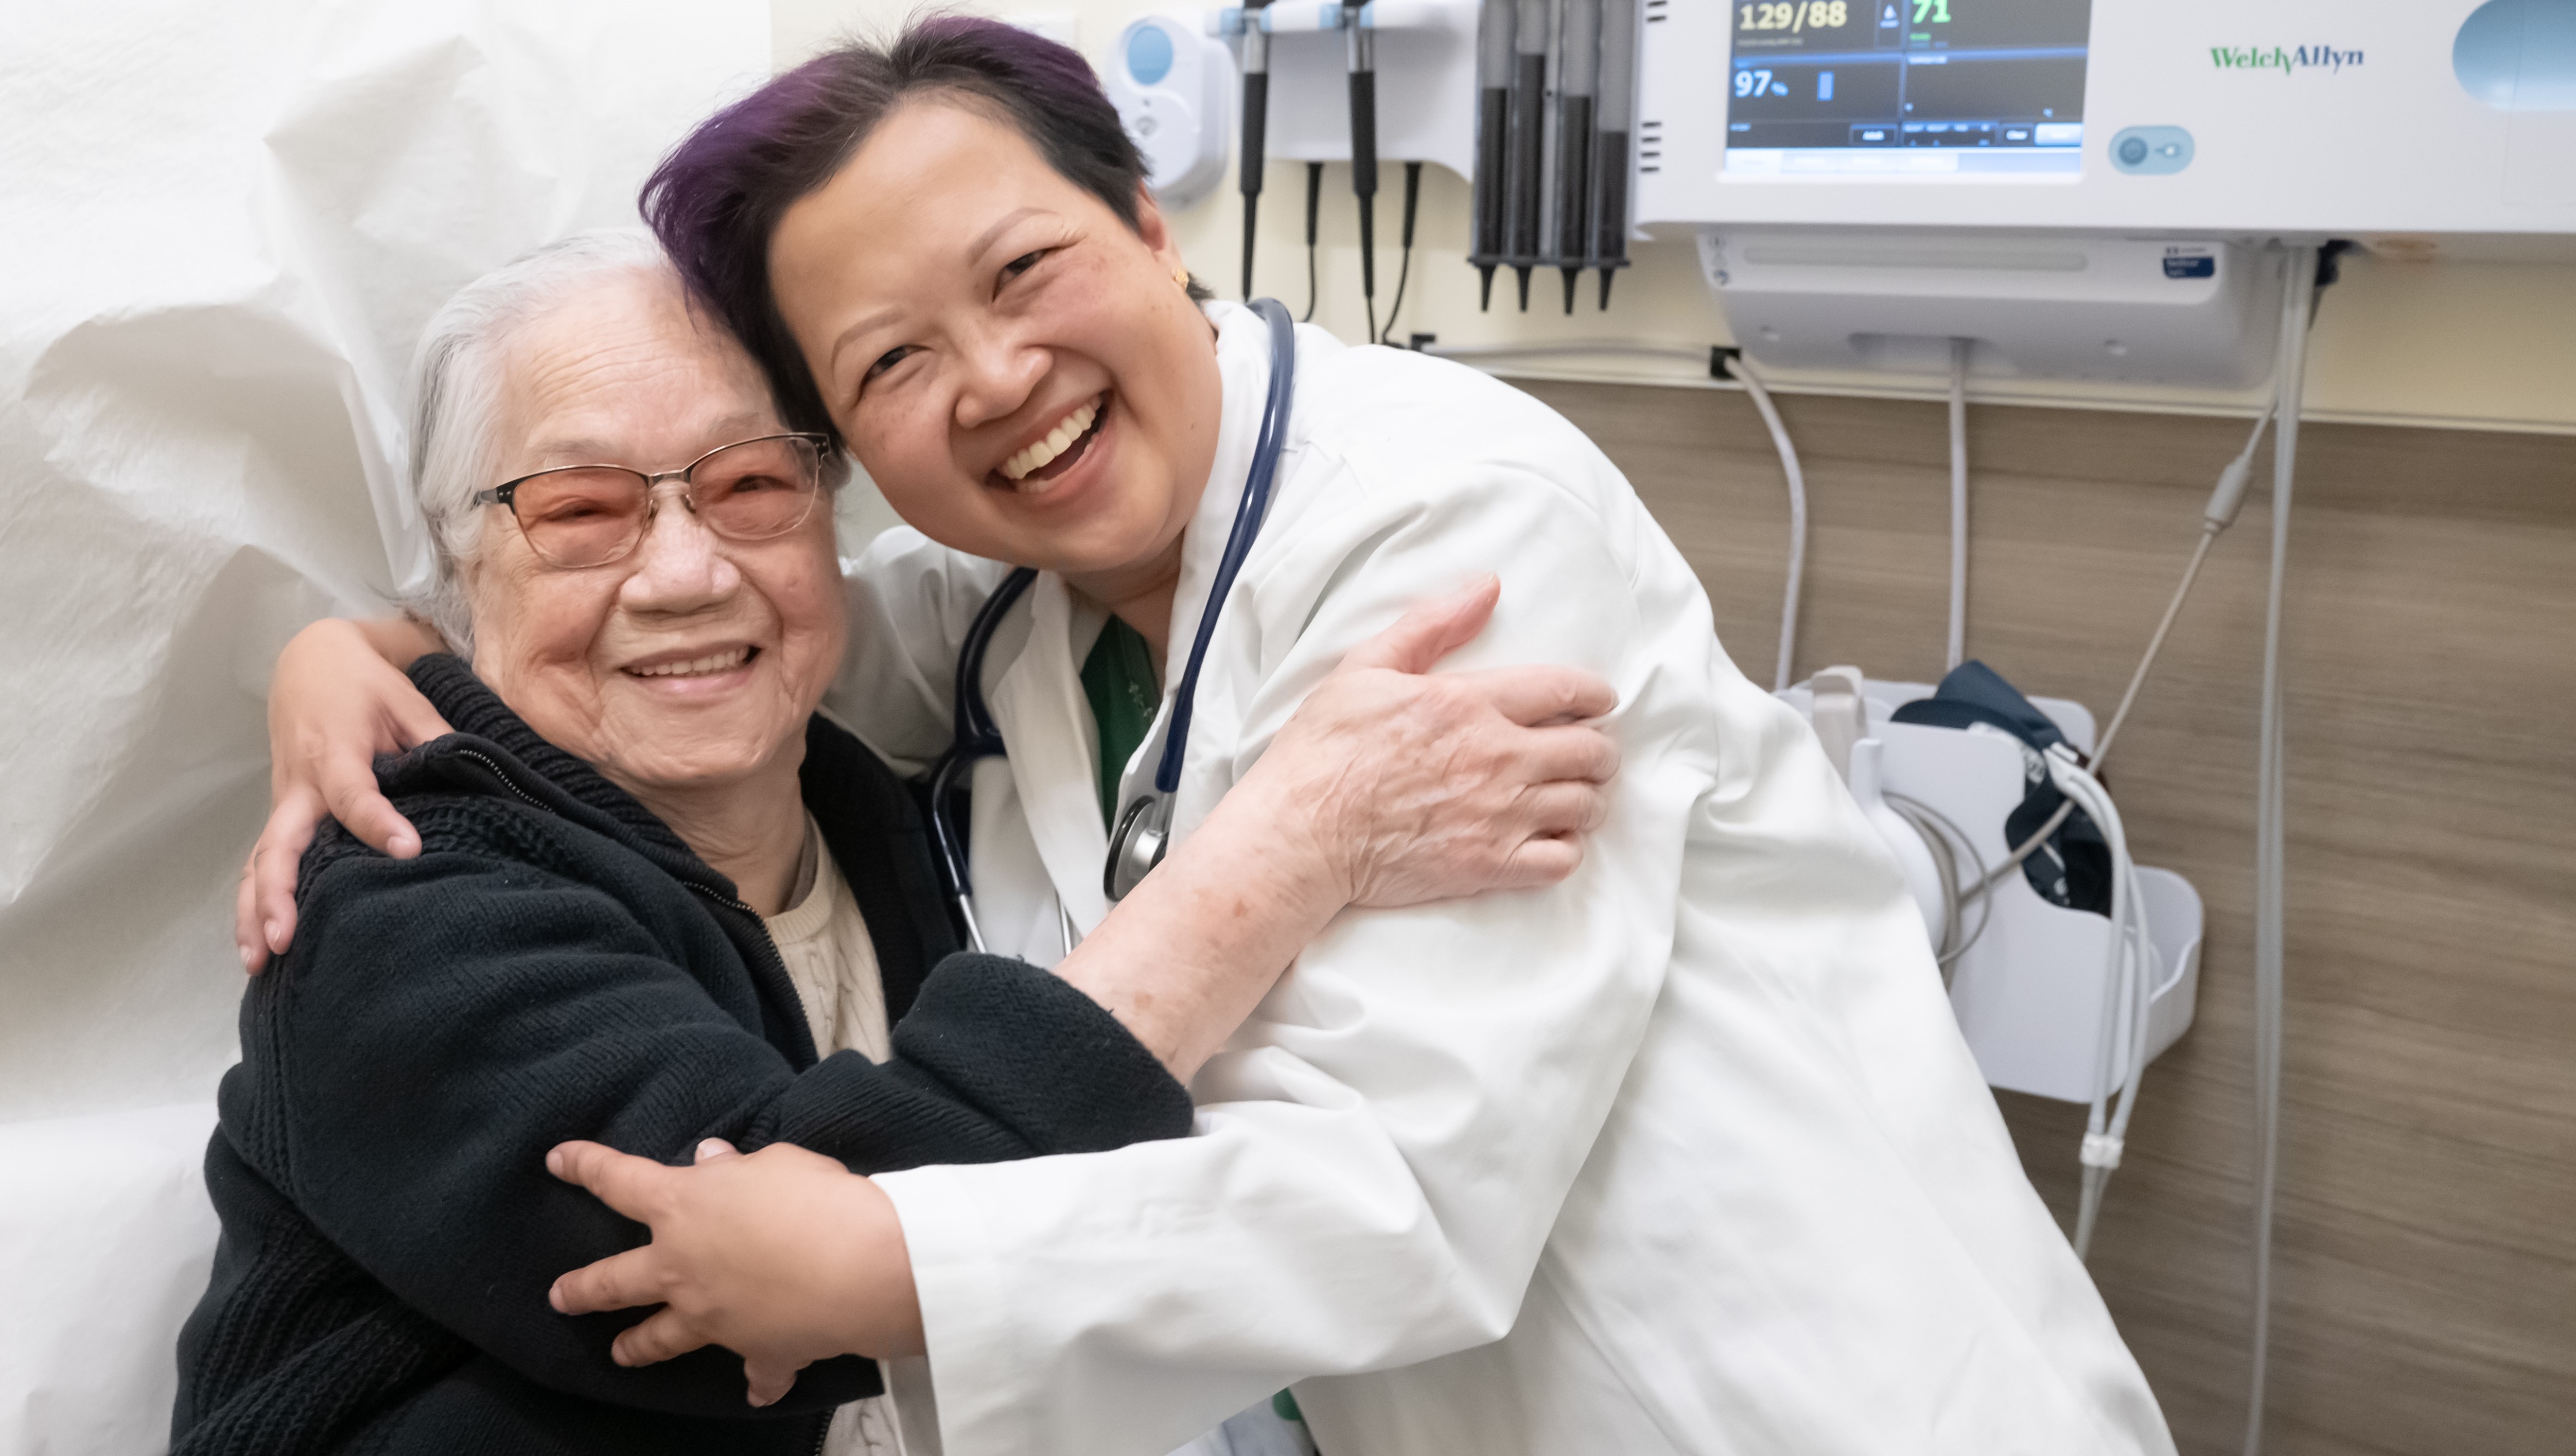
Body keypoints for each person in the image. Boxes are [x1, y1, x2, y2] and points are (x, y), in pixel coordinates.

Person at [250, 19, 2179, 1456]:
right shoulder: (1005, 602)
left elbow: (1401, 1186)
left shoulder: (1454, 532)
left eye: (1022, 274)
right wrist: (364, 650)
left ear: (1149, 223)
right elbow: (719, 621)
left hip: (1782, 1395)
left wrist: (890, 1269)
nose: (996, 380)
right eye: (893, 363)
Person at [176, 232, 1621, 1456]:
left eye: (749, 486)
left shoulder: (879, 811)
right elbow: (798, 1282)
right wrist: (1295, 845)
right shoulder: (397, 908)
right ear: (453, 576)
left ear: (830, 521)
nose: (685, 573)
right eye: (578, 510)